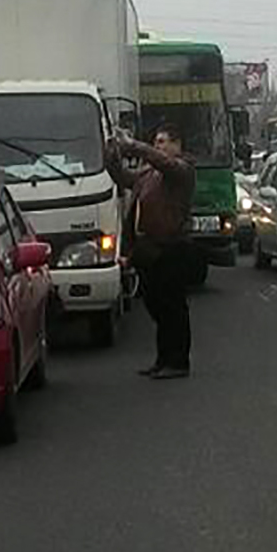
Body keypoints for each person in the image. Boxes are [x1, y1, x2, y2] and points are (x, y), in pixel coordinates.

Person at [107, 123, 197, 379]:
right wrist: (112, 155)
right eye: (156, 142)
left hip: (171, 246)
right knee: (154, 303)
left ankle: (178, 361)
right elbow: (124, 178)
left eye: (162, 142)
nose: (158, 147)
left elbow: (165, 164)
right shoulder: (149, 174)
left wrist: (135, 146)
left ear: (177, 145)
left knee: (172, 307)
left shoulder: (183, 170)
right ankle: (162, 358)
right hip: (147, 248)